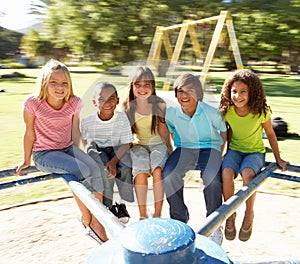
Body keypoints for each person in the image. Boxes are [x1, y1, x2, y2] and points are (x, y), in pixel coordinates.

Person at [15, 59, 108, 244]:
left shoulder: (74, 102)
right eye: (54, 82)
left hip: (67, 149)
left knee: (96, 170)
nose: (60, 87)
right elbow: (29, 133)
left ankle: (98, 220)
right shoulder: (33, 103)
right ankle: (87, 220)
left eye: (64, 83)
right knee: (81, 170)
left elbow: (75, 130)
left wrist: (79, 153)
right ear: (44, 83)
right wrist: (26, 160)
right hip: (45, 154)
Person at [219, 69, 289, 242]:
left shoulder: (260, 112)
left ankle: (249, 214)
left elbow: (271, 134)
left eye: (243, 92)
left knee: (248, 174)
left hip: (255, 152)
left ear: (253, 93)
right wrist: (221, 155)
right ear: (229, 92)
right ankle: (230, 214)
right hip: (234, 150)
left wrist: (279, 158)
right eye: (234, 91)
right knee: (226, 172)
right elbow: (225, 133)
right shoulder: (227, 111)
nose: (238, 96)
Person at [162, 73, 227, 245]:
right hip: (185, 148)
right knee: (168, 174)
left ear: (198, 94)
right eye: (180, 91)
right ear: (176, 94)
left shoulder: (211, 112)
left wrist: (220, 153)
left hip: (209, 147)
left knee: (212, 178)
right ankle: (179, 219)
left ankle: (214, 223)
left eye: (189, 91)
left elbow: (224, 131)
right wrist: (171, 149)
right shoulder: (172, 113)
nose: (184, 96)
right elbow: (169, 129)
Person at [122, 66, 172, 220]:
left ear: (153, 86)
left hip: (158, 144)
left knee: (157, 171)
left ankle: (157, 214)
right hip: (139, 145)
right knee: (140, 171)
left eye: (147, 85)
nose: (142, 89)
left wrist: (170, 150)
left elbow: (164, 131)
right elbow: (126, 133)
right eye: (138, 85)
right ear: (132, 86)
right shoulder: (127, 107)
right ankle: (143, 214)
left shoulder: (159, 104)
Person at [80, 82, 134, 224]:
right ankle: (109, 206)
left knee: (125, 166)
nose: (107, 102)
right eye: (101, 99)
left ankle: (121, 204)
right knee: (104, 170)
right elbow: (85, 139)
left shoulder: (121, 118)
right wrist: (90, 153)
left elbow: (126, 143)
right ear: (94, 102)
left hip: (118, 149)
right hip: (99, 149)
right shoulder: (88, 121)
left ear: (117, 100)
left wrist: (114, 161)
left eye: (111, 98)